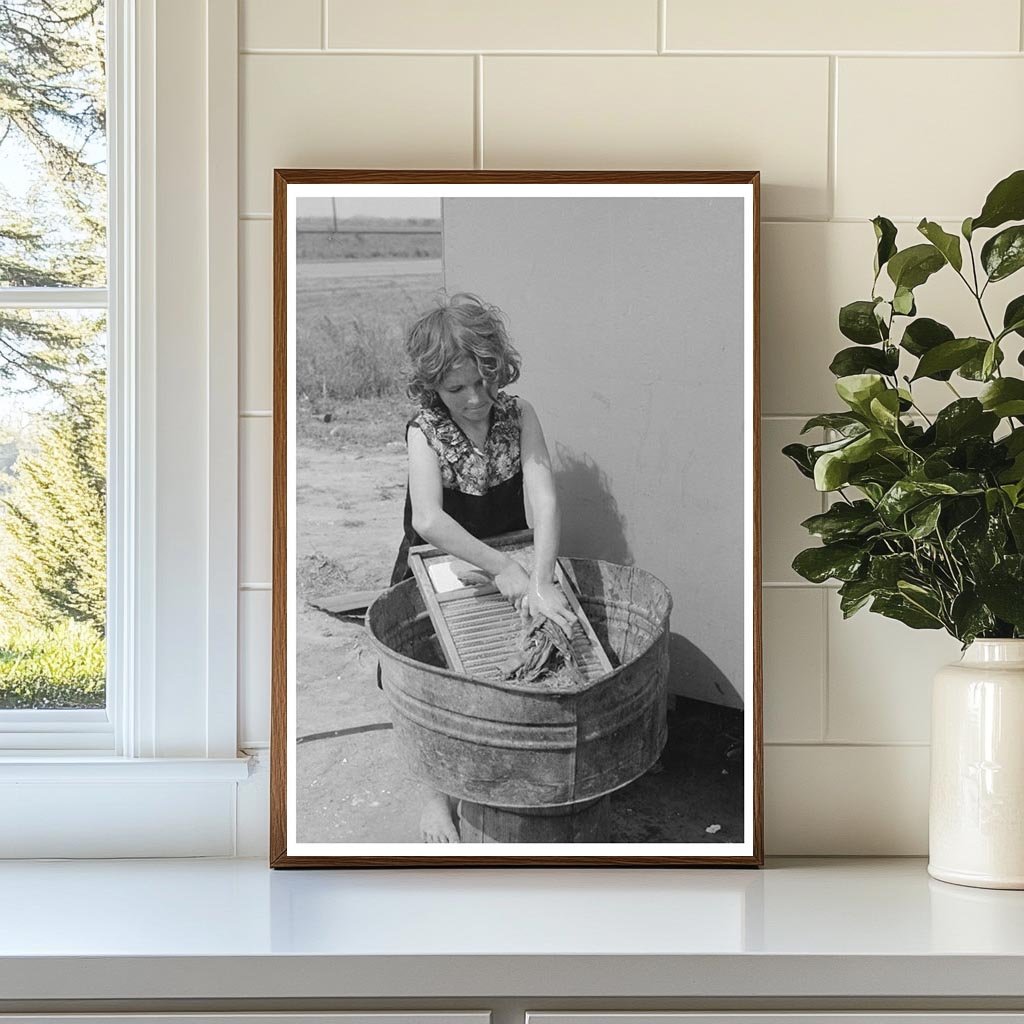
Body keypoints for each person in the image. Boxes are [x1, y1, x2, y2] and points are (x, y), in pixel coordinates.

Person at [389, 292, 578, 843]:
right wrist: (500, 570)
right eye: (457, 389)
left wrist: (539, 577)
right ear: (433, 387)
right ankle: (436, 797)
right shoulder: (424, 431)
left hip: (511, 551)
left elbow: (542, 497)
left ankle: (507, 767)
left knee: (514, 664)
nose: (475, 398)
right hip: (442, 560)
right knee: (438, 679)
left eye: (484, 382)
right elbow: (428, 519)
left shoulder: (519, 415)